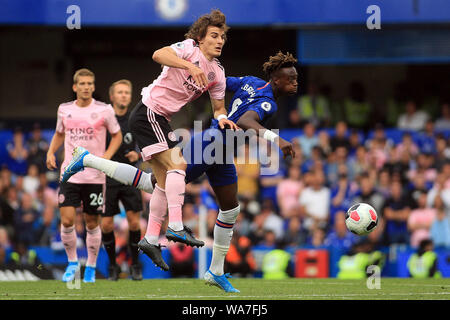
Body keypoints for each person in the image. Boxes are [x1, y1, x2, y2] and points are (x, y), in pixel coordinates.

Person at [63, 50, 298, 292]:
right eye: (291, 79)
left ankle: (215, 271)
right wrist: (276, 140)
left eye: (296, 79)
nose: (295, 83)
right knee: (151, 183)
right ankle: (88, 159)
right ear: (277, 80)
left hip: (221, 150)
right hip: (210, 144)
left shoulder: (252, 82)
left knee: (230, 209)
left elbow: (218, 83)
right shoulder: (267, 103)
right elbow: (247, 121)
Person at [62, 10, 238, 271]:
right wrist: (190, 65)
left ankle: (151, 238)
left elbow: (219, 107)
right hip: (149, 112)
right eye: (214, 35)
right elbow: (158, 54)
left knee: (162, 183)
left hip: (159, 118)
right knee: (178, 165)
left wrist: (222, 118)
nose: (219, 40)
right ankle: (176, 227)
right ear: (200, 38)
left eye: (222, 36)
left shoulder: (217, 73)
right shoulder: (189, 49)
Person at [46, 68, 122, 283]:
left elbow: (117, 135)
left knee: (91, 223)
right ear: (75, 87)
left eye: (90, 83)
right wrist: (51, 151)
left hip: (94, 176)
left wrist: (104, 158)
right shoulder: (64, 110)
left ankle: (90, 265)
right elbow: (60, 133)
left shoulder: (105, 110)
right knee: (67, 220)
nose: (86, 87)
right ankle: (72, 263)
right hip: (70, 174)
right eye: (82, 84)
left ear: (93, 86)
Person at [101, 79, 144, 281]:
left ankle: (135, 264)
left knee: (134, 223)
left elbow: (147, 142)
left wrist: (139, 155)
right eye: (120, 92)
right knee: (107, 225)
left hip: (129, 175)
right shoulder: (103, 120)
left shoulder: (135, 119)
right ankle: (112, 266)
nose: (124, 95)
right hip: (107, 177)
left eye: (127, 92)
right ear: (112, 96)